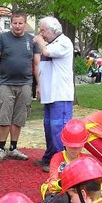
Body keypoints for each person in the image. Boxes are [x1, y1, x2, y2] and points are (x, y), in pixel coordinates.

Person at [0, 11, 41, 164]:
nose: (18, 26)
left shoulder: (32, 41)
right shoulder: (2, 38)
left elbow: (37, 64)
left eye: (20, 23)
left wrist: (38, 84)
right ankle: (1, 148)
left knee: (19, 117)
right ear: (11, 23)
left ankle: (13, 148)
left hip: (25, 84)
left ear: (25, 24)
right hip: (6, 83)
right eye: (15, 23)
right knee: (4, 116)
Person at [32, 16, 74, 173]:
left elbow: (47, 52)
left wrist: (39, 41)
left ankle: (60, 161)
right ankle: (50, 156)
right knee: (49, 127)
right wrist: (40, 86)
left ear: (52, 30)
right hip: (50, 93)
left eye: (42, 30)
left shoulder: (63, 42)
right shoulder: (51, 43)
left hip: (60, 94)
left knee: (59, 128)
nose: (41, 34)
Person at [37, 119, 89, 203]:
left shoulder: (85, 160)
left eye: (77, 146)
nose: (74, 149)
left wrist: (100, 191)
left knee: (85, 195)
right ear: (65, 143)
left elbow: (94, 181)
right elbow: (52, 182)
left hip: (75, 193)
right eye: (71, 145)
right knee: (62, 198)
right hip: (58, 192)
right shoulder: (57, 158)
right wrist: (63, 183)